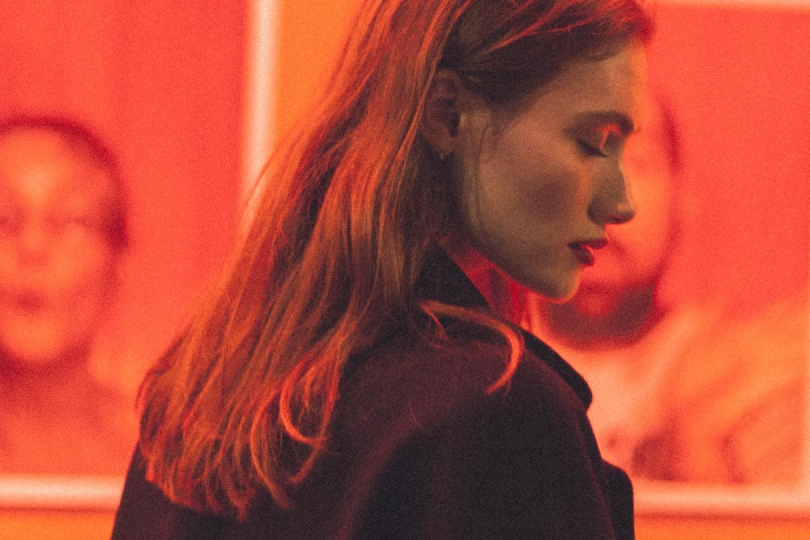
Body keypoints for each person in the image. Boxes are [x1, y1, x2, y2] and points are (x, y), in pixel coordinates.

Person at [112, 0, 652, 538]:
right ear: (447, 114)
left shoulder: (206, 387)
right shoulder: (499, 407)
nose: (622, 203)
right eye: (595, 143)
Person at [522, 93, 806, 485]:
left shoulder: (737, 378)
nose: (600, 196)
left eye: (635, 162)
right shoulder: (468, 369)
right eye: (573, 158)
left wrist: (697, 444)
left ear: (683, 203)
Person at [0, 116, 137, 475]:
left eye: (72, 220)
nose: (32, 247)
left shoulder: (162, 460)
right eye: (2, 219)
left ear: (118, 266)